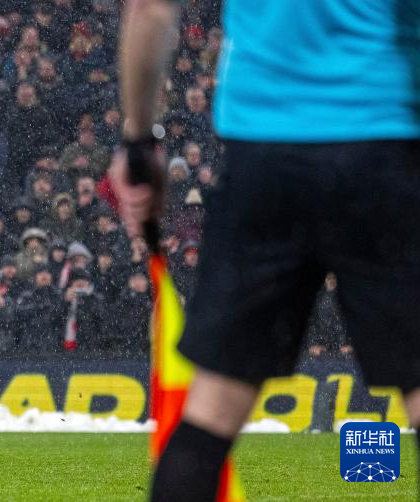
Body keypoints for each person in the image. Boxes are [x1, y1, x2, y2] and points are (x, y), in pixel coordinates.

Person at [112, 1, 420, 500]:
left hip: (263, 155)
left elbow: (150, 8)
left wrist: (138, 142)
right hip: (385, 144)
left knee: (210, 413)